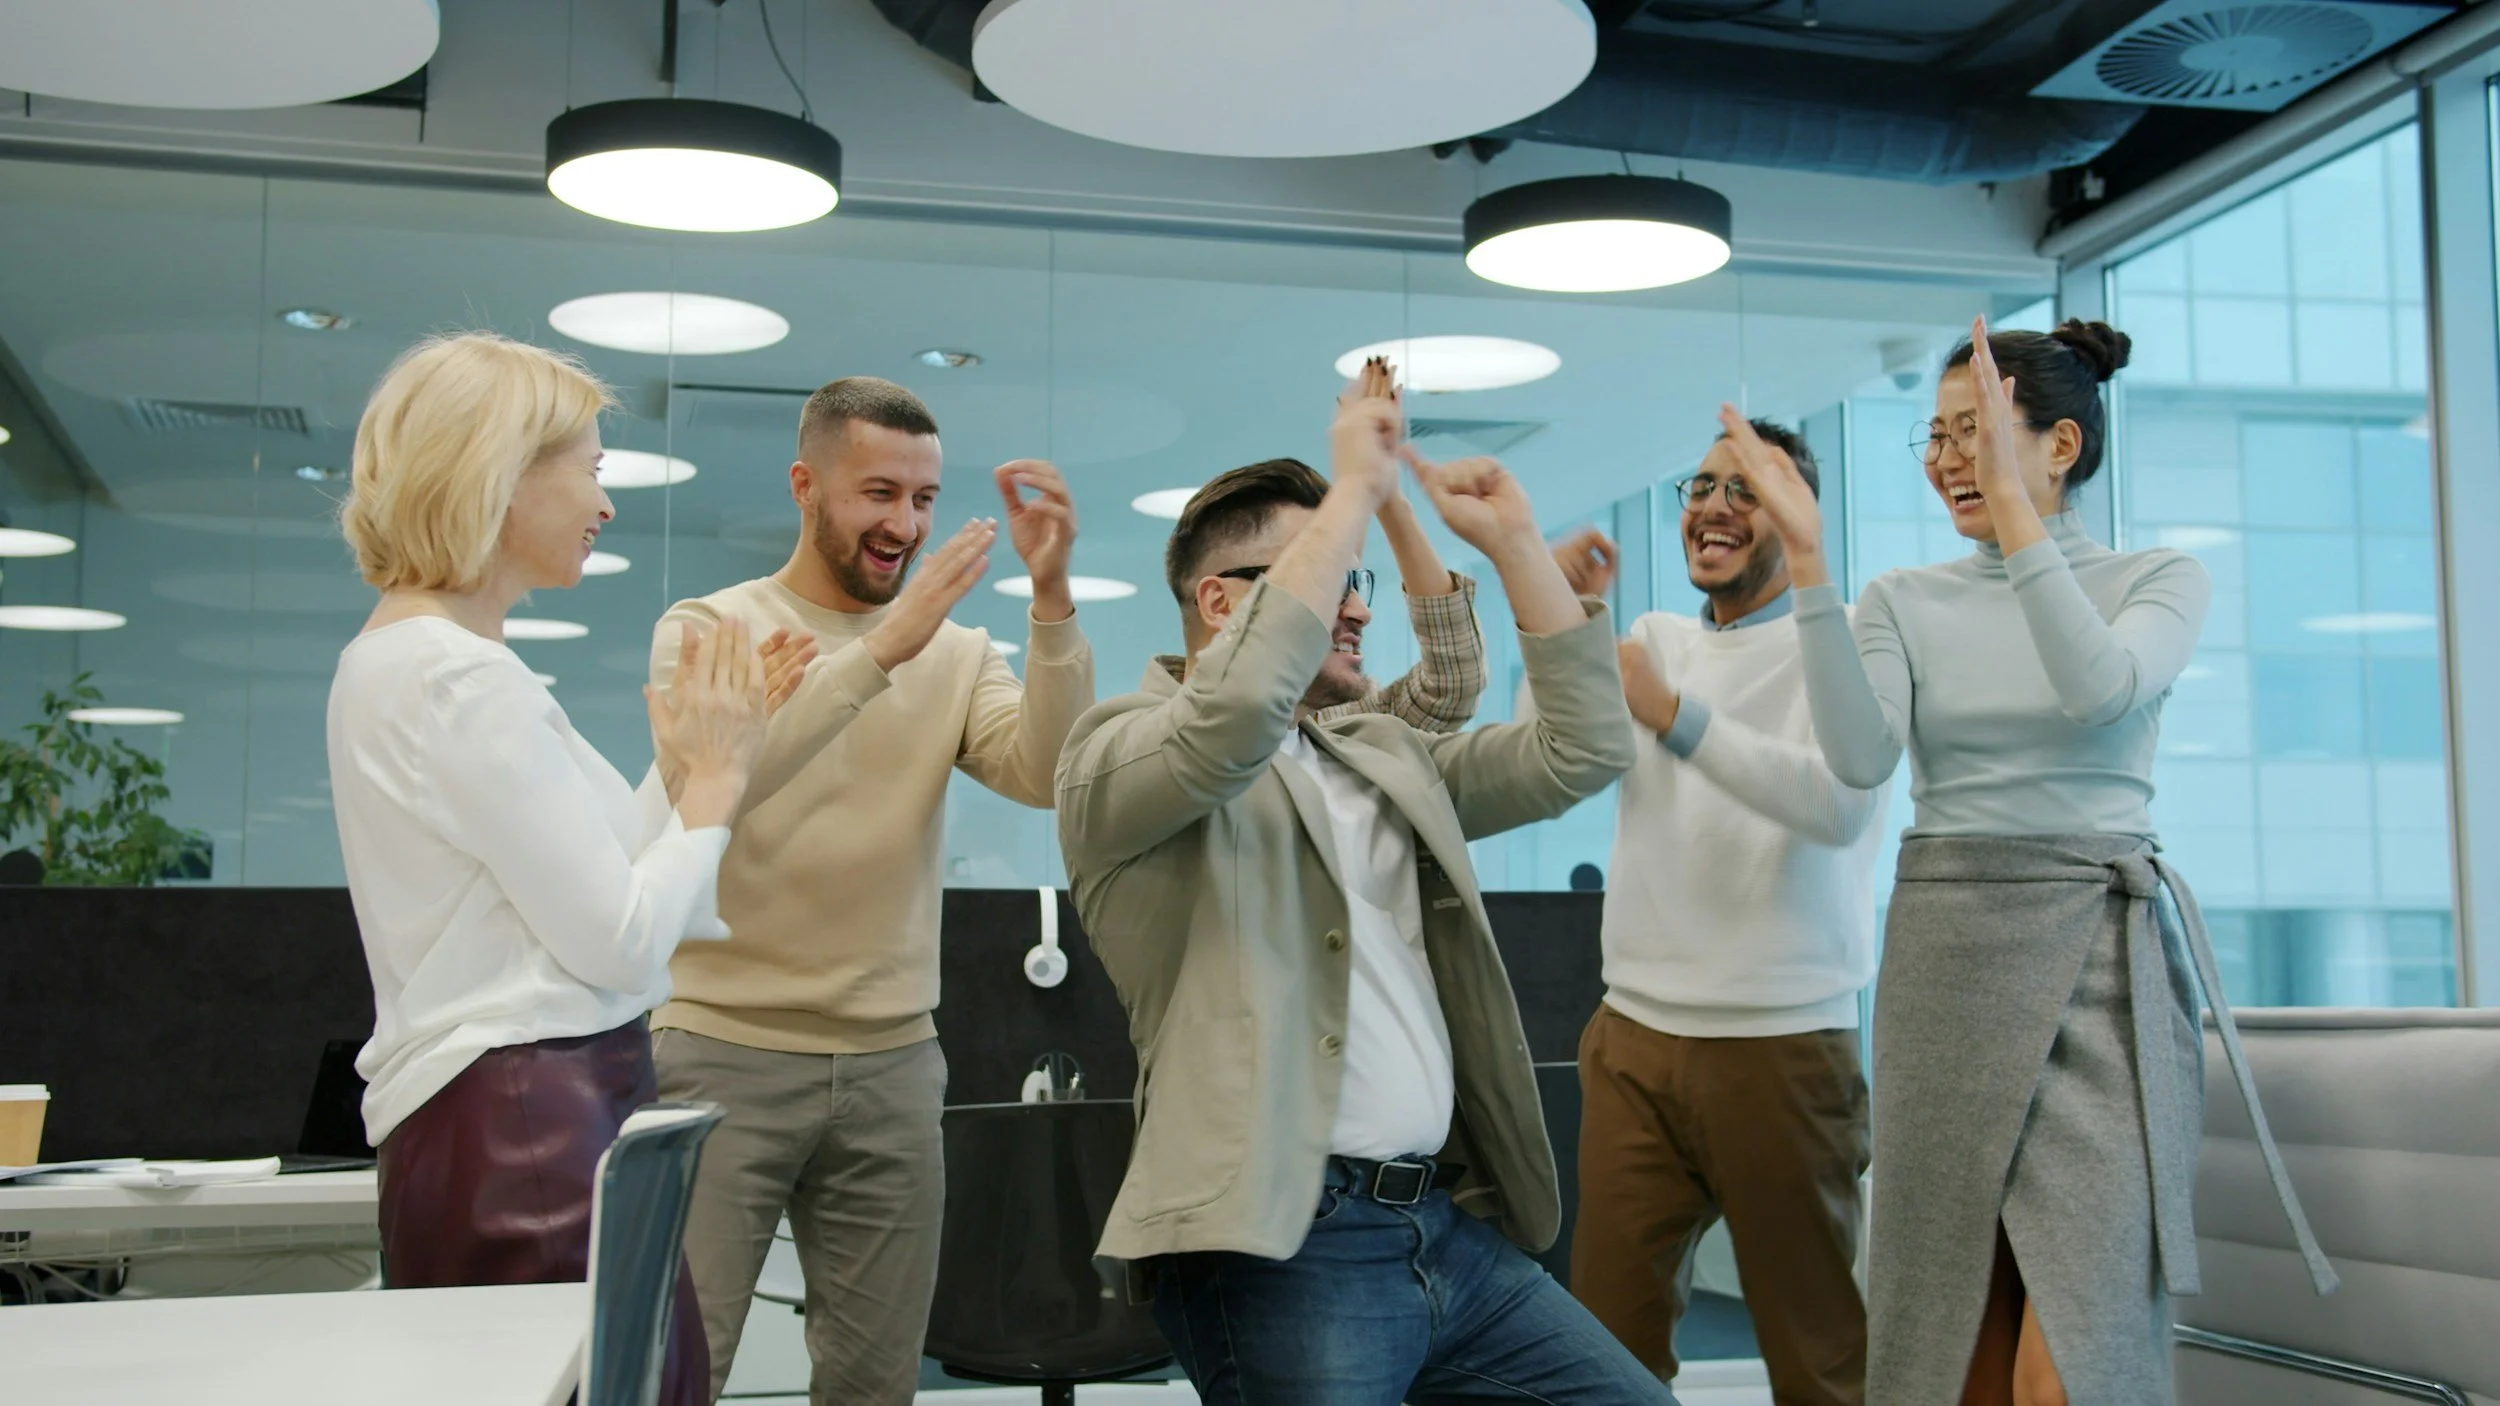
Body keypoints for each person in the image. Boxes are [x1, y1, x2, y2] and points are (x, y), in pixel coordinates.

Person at [1733, 318, 2336, 1404]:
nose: (1948, 456)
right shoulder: (1901, 601)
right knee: (1950, 1346)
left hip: (2101, 965)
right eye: (1936, 433)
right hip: (1948, 960)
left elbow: (2097, 688)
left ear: (2059, 445)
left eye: (1976, 430)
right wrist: (1814, 564)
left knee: (2074, 1360)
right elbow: (1862, 757)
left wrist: (2016, 525)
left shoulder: (2160, 577)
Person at [1056, 384, 1669, 1406]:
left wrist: (1515, 542)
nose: (1358, 606)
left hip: (1444, 1229)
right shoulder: (1117, 755)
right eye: (1338, 578)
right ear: (1219, 600)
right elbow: (1235, 709)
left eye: (1359, 580)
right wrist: (1354, 487)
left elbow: (1584, 747)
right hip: (1283, 1240)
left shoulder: (1371, 750)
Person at [329, 332, 799, 1406]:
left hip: (512, 1121)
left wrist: (692, 761)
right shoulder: (456, 678)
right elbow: (621, 936)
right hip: (531, 1130)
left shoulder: (412, 659)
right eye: (590, 468)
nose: (606, 501)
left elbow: (594, 879)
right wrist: (717, 783)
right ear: (497, 469)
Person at [645, 376, 1096, 1406]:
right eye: (878, 492)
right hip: (722, 1050)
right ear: (807, 485)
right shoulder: (710, 628)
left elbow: (1047, 771)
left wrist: (1052, 599)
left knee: (873, 1382)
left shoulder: (957, 650)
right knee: (681, 1370)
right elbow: (716, 786)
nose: (905, 524)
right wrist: (882, 650)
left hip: (894, 1063)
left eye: (924, 498)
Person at [1551, 422, 1887, 1406]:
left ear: (1799, 517)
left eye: (1747, 489)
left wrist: (1677, 717)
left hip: (1781, 1048)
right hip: (1634, 1039)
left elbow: (1839, 800)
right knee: (1602, 1352)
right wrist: (1572, 614)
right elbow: (1564, 748)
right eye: (1701, 485)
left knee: (1818, 1356)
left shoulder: (1852, 635)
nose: (1713, 505)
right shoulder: (1655, 640)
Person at [1310, 356, 1488, 734]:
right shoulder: (1192, 738)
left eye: (1357, 589)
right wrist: (1362, 485)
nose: (1361, 613)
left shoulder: (1341, 728)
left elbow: (1452, 684)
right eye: (1332, 588)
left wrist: (1386, 491)